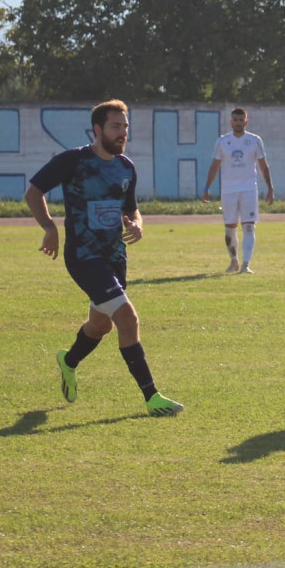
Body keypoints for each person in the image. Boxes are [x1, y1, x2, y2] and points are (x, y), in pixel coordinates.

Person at [24, 99, 183, 417]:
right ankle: (152, 397)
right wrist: (49, 228)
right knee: (128, 318)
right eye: (116, 126)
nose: (123, 132)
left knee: (100, 326)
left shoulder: (126, 167)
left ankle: (68, 362)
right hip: (84, 256)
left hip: (115, 256)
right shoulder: (74, 161)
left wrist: (137, 223)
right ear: (97, 129)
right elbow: (33, 192)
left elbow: (131, 208)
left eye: (125, 126)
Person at [201, 107, 274, 274]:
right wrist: (207, 187)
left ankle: (246, 265)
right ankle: (234, 261)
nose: (238, 123)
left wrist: (270, 187)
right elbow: (214, 166)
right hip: (228, 190)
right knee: (230, 228)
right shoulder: (222, 141)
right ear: (231, 122)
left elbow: (263, 166)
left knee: (249, 227)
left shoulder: (254, 141)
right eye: (235, 120)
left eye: (241, 120)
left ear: (246, 122)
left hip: (249, 189)